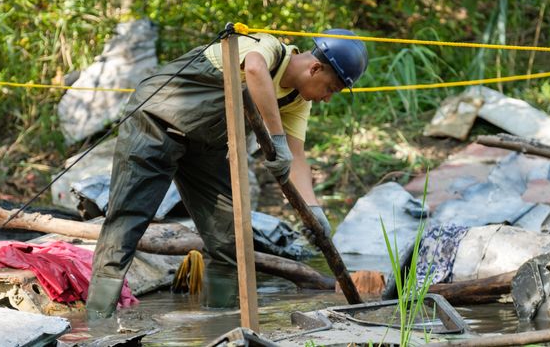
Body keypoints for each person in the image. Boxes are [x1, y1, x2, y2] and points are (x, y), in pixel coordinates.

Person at [86, 27, 369, 317]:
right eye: (330, 88)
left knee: (230, 237)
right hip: (155, 123)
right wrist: (276, 137)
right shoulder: (267, 47)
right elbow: (256, 70)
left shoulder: (298, 101)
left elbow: (296, 157)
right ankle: (98, 320)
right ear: (315, 67)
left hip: (205, 148)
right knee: (128, 220)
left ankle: (218, 322)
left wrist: (314, 209)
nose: (327, 98)